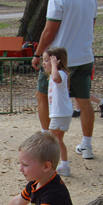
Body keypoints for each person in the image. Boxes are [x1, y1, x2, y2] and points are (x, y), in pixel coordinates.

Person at [32, 0, 98, 160]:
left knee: (42, 95)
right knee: (84, 100)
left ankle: (47, 142)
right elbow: (91, 27)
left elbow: (49, 32)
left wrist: (37, 54)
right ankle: (86, 146)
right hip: (85, 57)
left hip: (59, 60)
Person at [43, 47, 73, 177]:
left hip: (60, 114)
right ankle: (64, 166)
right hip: (61, 113)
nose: (43, 63)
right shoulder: (56, 75)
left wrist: (54, 65)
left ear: (57, 62)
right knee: (58, 140)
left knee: (50, 141)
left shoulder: (60, 74)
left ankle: (50, 167)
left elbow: (56, 78)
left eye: (47, 60)